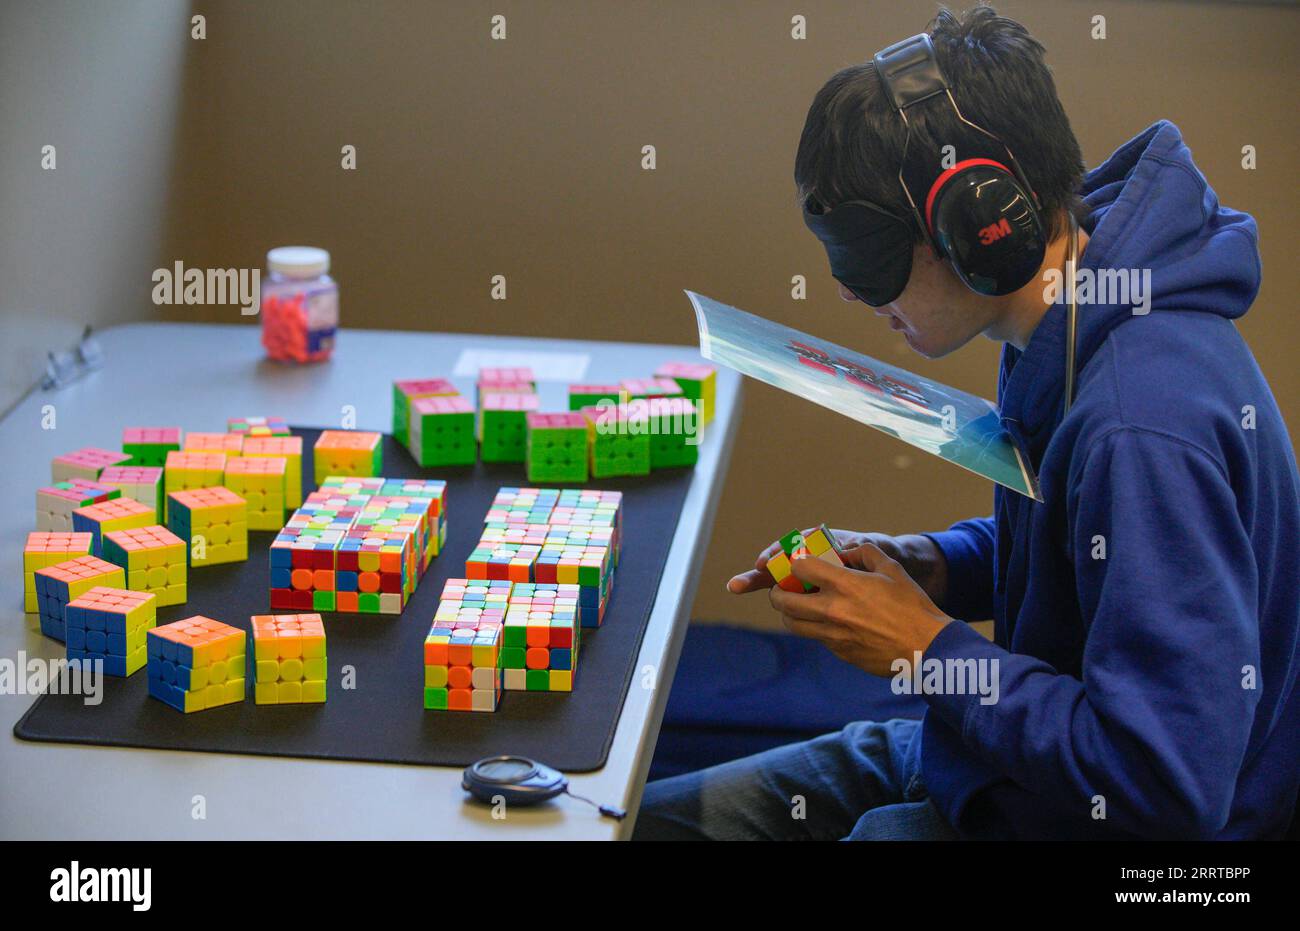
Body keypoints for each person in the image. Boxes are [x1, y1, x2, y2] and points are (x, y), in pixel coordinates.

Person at [634, 4, 1299, 840]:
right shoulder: (1064, 319)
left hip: (1124, 828)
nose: (848, 290)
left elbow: (1165, 784)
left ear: (982, 226)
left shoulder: (1141, 427)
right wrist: (931, 566)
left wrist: (928, 649)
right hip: (1014, 766)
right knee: (648, 824)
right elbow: (1083, 553)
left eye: (867, 259)